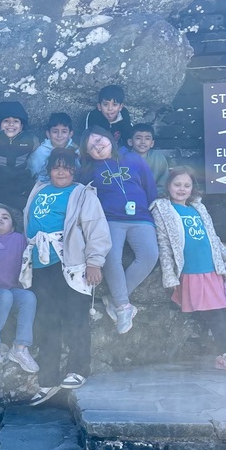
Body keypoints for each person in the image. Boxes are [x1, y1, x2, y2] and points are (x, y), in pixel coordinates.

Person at [150, 167, 226, 381]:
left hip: (213, 271)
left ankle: (225, 356)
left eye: (186, 185)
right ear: (168, 186)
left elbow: (213, 238)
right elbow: (164, 244)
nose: (182, 189)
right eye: (177, 184)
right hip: (192, 273)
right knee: (217, 320)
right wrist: (170, 276)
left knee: (221, 318)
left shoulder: (198, 208)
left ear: (192, 189)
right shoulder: (162, 209)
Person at [24, 149, 111, 405]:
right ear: (49, 170)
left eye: (66, 167)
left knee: (75, 317)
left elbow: (96, 228)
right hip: (41, 266)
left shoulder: (82, 193)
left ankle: (79, 369)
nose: (61, 172)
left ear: (74, 170)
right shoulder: (38, 189)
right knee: (46, 322)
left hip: (71, 264)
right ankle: (48, 379)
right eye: (56, 167)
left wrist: (95, 262)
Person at [79, 126, 159, 335]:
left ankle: (113, 298)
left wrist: (150, 209)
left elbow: (149, 187)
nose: (98, 146)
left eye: (100, 140)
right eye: (92, 146)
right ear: (87, 152)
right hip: (109, 219)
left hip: (141, 217)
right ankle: (123, 306)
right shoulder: (88, 170)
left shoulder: (133, 159)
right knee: (110, 257)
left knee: (150, 255)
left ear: (109, 139)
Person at [0, 206, 39, 374]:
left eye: (5, 217)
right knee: (5, 296)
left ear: (13, 225)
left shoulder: (19, 239)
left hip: (11, 290)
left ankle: (20, 348)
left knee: (28, 297)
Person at [29, 112, 79, 184]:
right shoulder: (40, 152)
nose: (59, 135)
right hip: (44, 187)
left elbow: (79, 173)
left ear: (70, 134)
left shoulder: (75, 150)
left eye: (64, 132)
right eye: (55, 132)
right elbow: (31, 173)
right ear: (48, 134)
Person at [125, 123, 170, 189]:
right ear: (130, 142)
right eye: (138, 138)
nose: (143, 142)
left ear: (152, 143)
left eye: (147, 138)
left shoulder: (158, 158)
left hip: (154, 196)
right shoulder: (123, 158)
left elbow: (163, 182)